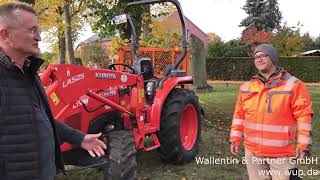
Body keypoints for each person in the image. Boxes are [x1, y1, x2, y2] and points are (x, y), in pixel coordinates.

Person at [0, 2, 107, 180]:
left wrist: (80, 138)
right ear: (5, 34)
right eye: (32, 30)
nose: (39, 37)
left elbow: (41, 119)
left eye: (39, 30)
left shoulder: (29, 73)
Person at [229, 43, 313, 180]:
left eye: (263, 55)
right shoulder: (246, 87)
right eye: (256, 57)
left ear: (273, 58)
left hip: (281, 153)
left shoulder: (294, 86)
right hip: (253, 152)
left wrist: (303, 145)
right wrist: (234, 138)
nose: (259, 59)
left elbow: (304, 117)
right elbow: (239, 116)